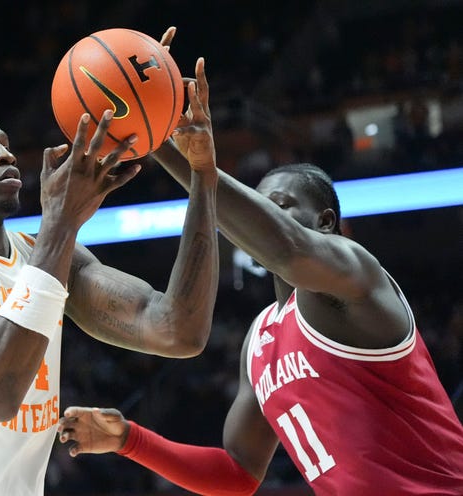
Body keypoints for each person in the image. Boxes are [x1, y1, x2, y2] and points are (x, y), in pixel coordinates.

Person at [57, 46, 463, 495]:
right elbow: (237, 472)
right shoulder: (260, 338)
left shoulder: (355, 275)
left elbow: (285, 248)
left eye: (282, 205)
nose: (264, 213)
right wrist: (130, 440)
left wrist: (192, 163)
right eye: (259, 204)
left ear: (325, 222)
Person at [0, 56, 219, 496]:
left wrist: (203, 176)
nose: (5, 154)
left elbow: (178, 329)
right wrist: (61, 225)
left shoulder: (46, 251)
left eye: (5, 143)